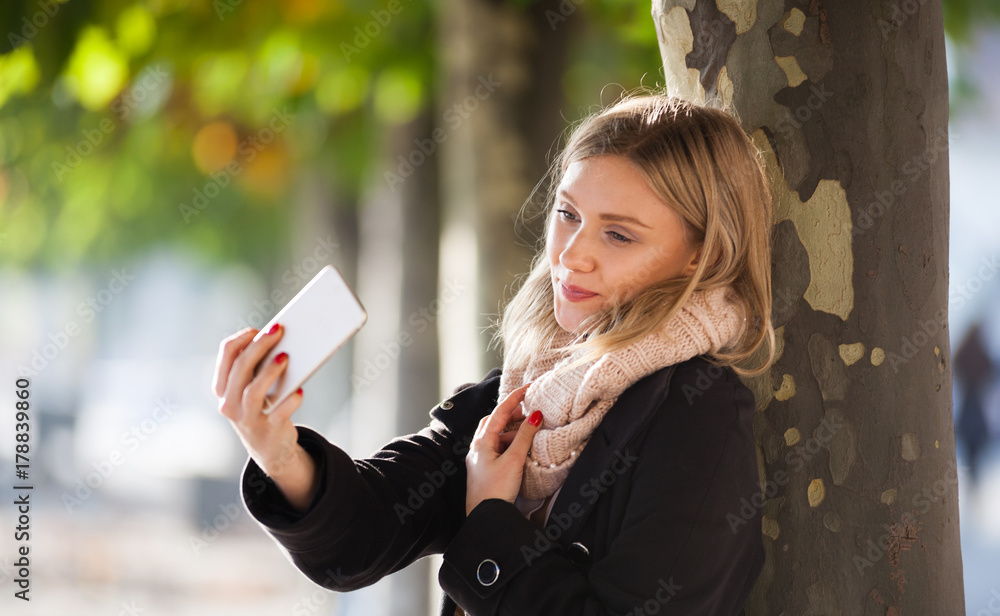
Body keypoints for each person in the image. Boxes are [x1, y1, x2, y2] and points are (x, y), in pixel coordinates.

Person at [212, 90, 776, 616]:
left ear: (698, 253)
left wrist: (489, 523)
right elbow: (363, 537)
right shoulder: (530, 385)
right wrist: (279, 453)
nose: (572, 255)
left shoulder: (700, 415)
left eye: (619, 235)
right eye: (568, 214)